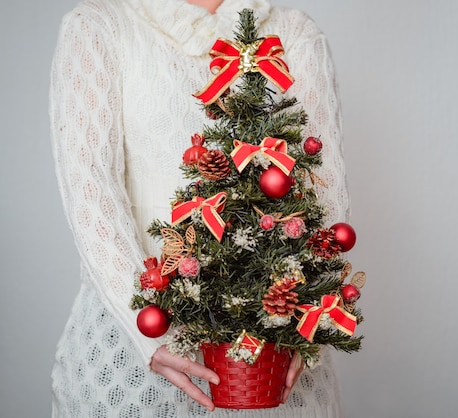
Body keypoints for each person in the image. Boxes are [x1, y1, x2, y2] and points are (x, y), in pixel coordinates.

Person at [50, 0, 350, 416]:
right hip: (137, 345)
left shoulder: (292, 32)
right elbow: (90, 186)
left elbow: (324, 185)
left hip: (274, 353)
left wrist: (312, 320)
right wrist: (149, 332)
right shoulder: (100, 24)